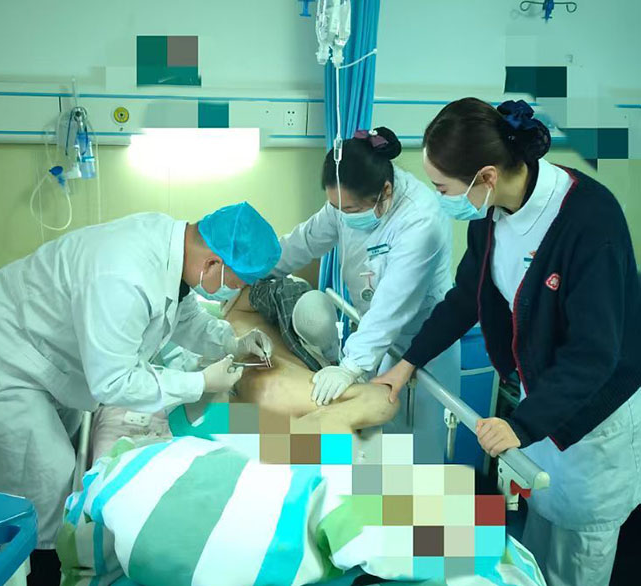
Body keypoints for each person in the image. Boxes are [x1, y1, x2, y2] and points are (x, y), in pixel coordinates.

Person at [372, 98, 641, 586]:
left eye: (442, 188)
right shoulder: (491, 213)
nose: (438, 198)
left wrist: (521, 423)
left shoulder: (588, 221)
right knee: (536, 544)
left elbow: (594, 354)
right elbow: (465, 299)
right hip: (544, 398)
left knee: (578, 553)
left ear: (487, 176)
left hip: (594, 415)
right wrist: (407, 364)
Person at [0, 202, 281, 583]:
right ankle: (32, 568)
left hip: (47, 356)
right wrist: (199, 383)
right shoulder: (125, 274)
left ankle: (28, 552)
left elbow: (183, 318)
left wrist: (232, 342)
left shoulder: (173, 250)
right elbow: (115, 381)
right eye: (236, 283)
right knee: (46, 473)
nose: (235, 291)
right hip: (4, 352)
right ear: (213, 263)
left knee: (45, 474)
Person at [272, 127, 460, 463]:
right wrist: (254, 271)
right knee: (382, 443)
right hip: (379, 339)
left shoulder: (420, 220)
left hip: (425, 342)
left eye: (352, 209)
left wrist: (351, 366)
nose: (342, 215)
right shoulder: (345, 202)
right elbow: (304, 241)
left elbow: (393, 304)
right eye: (336, 207)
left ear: (385, 191)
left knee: (420, 453)